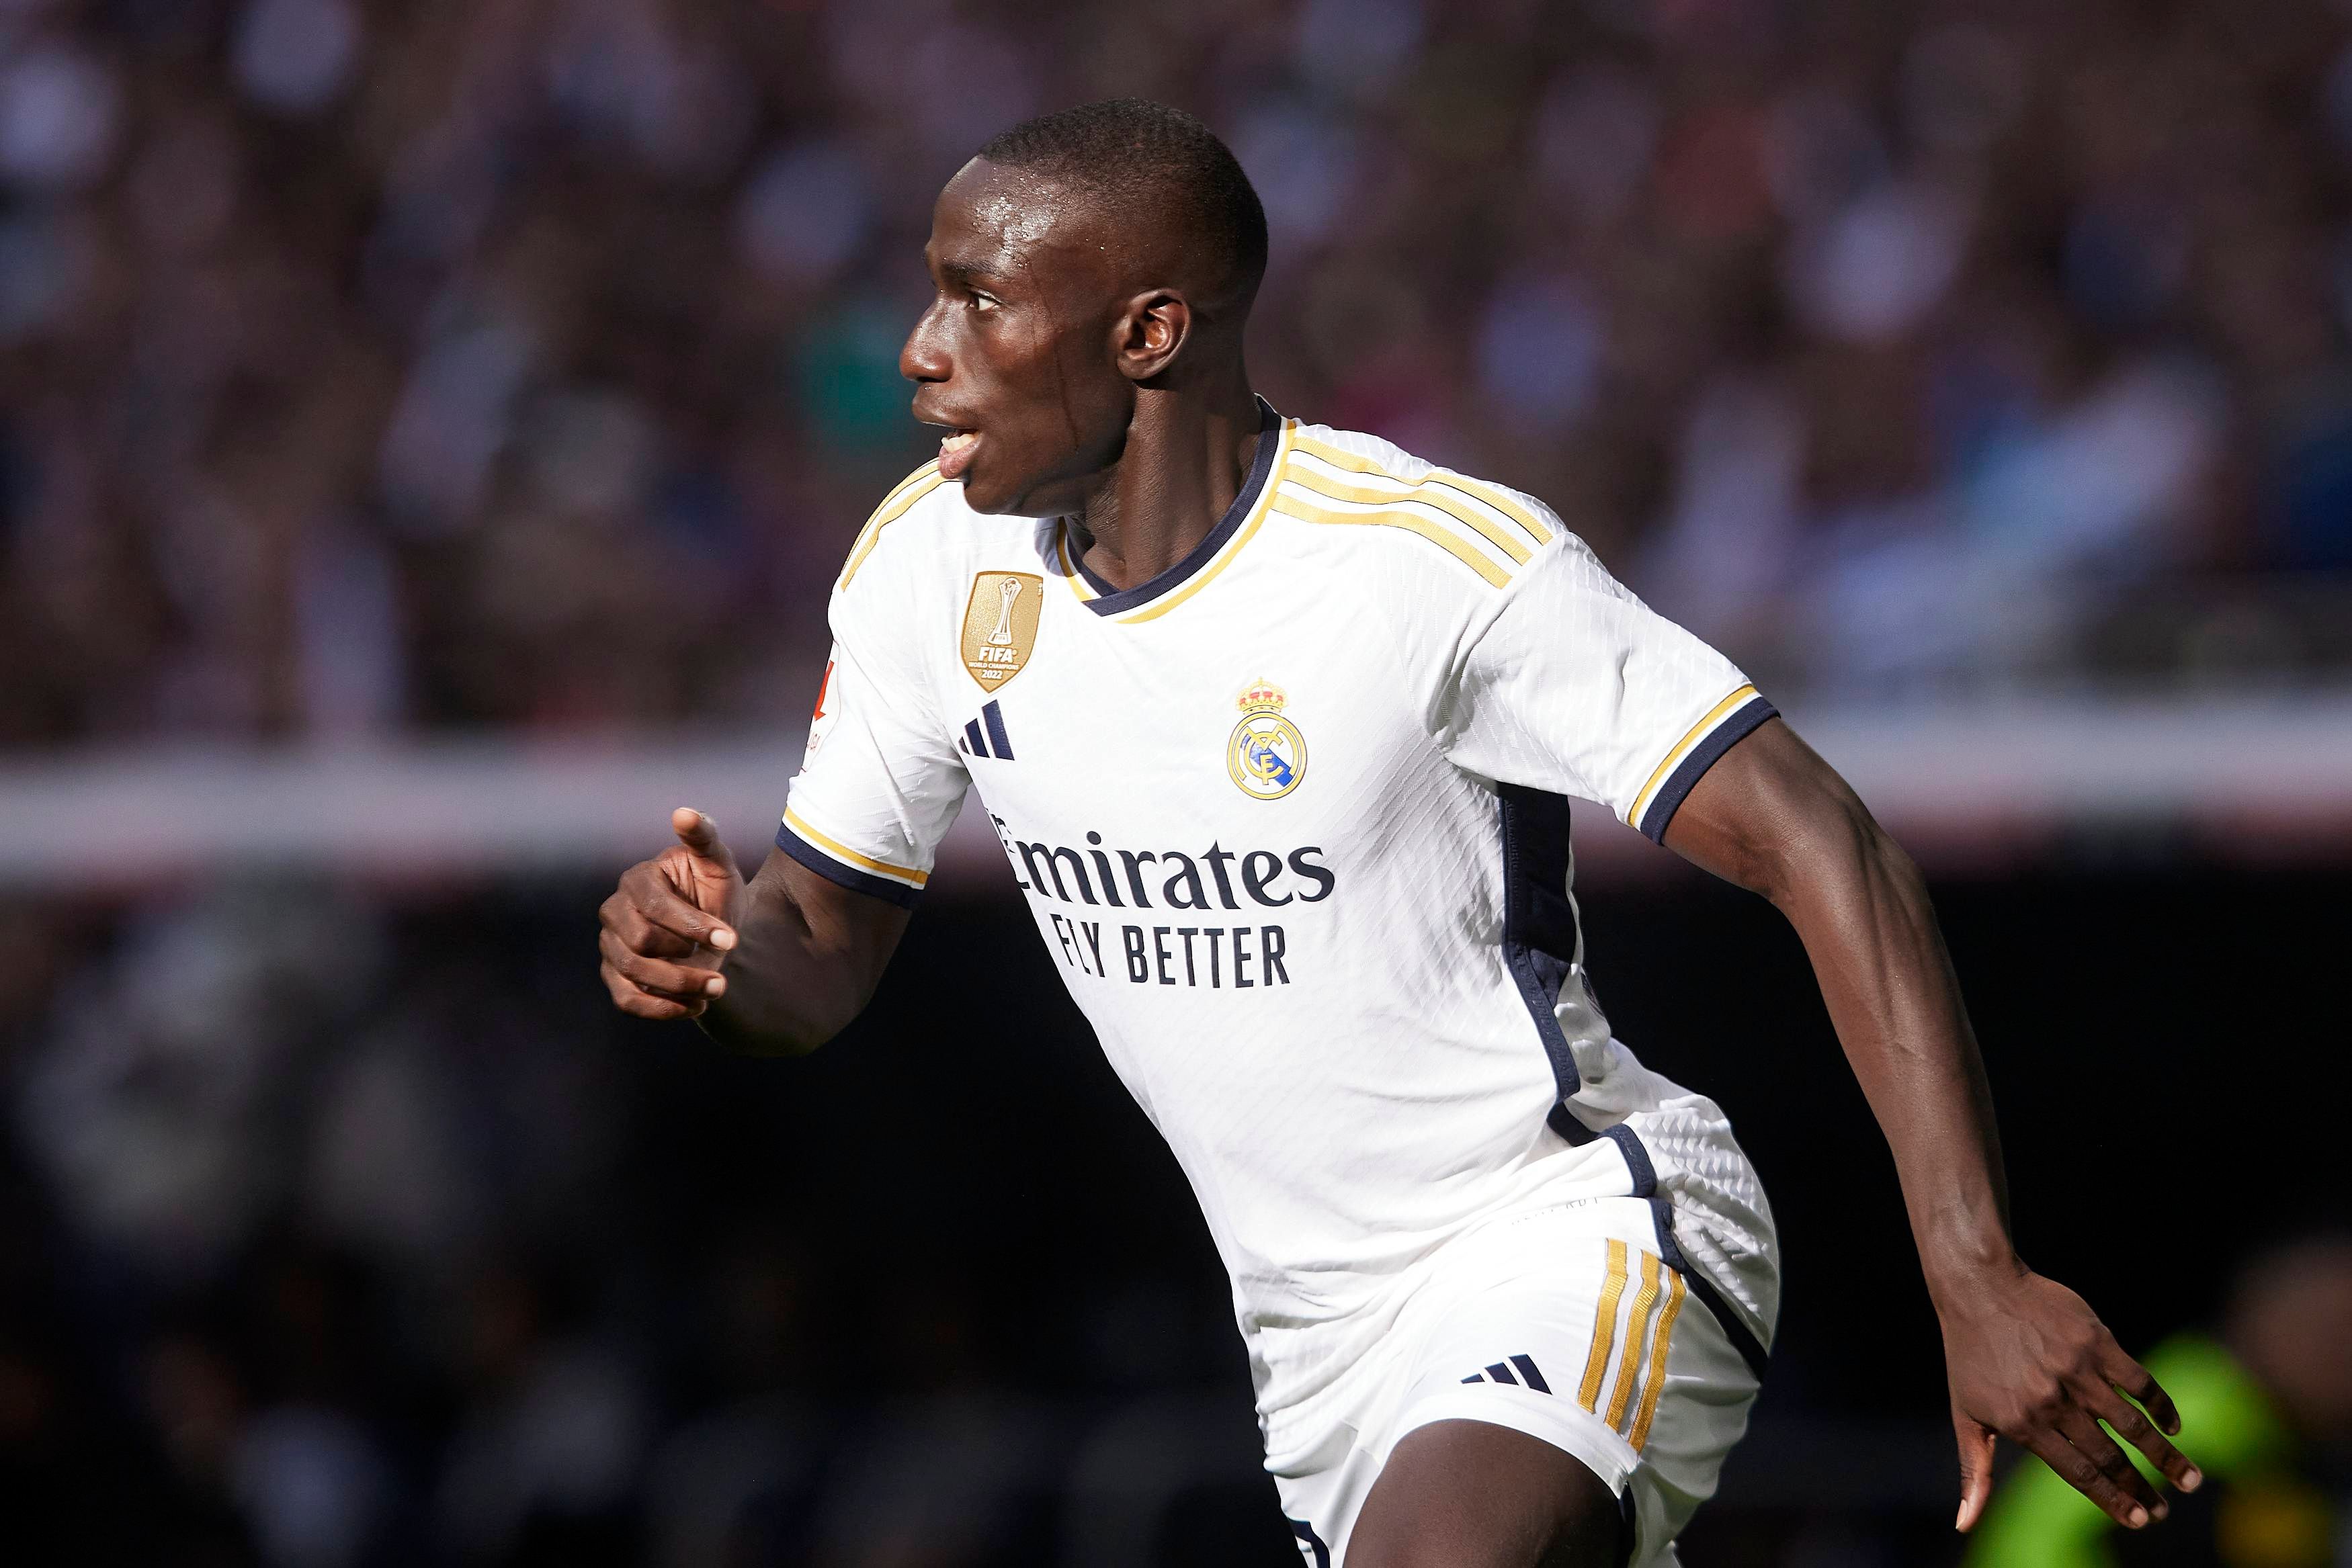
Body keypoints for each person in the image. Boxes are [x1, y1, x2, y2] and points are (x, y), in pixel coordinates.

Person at [597, 100, 2200, 1567]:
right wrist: (717, 954)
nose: (920, 351)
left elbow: (1819, 839)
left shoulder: (1426, 563)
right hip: (1312, 1346)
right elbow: (819, 937)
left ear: (1151, 331)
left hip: (1572, 1224)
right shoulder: (927, 571)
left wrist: (1972, 1267)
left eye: (979, 300)